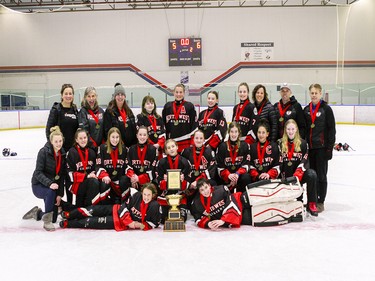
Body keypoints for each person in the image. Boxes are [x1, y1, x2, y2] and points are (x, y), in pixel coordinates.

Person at [60, 183, 161, 231]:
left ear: (153, 195)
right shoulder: (137, 195)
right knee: (92, 209)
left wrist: (141, 225)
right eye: (145, 194)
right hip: (116, 210)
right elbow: (124, 206)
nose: (146, 197)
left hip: (118, 223)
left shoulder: (154, 205)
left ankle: (68, 223)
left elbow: (155, 223)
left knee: (92, 221)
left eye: (149, 195)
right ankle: (70, 214)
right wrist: (130, 222)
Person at [22, 126, 66, 231]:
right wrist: (49, 183)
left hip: (52, 186)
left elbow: (61, 177)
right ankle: (47, 222)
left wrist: (60, 194)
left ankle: (36, 213)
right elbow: (38, 172)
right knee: (50, 192)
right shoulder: (43, 152)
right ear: (51, 141)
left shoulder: (63, 154)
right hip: (39, 185)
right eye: (56, 141)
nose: (59, 143)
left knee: (54, 218)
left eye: (60, 141)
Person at [303, 83, 336, 213]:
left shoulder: (326, 109)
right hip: (310, 149)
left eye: (316, 93)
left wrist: (329, 148)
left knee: (322, 176)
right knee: (312, 176)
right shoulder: (306, 109)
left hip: (322, 149)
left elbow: (331, 130)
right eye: (312, 93)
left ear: (321, 93)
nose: (314, 95)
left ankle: (321, 201)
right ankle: (312, 200)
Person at [278, 119, 318, 216]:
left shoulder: (303, 144)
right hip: (285, 176)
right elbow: (278, 162)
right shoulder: (280, 143)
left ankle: (312, 203)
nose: (290, 132)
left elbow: (305, 161)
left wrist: (298, 175)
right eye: (288, 129)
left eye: (292, 129)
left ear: (296, 129)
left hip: (298, 176)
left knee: (312, 174)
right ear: (285, 130)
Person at [156, 139, 191, 222]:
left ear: (177, 147)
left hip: (180, 196)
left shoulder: (185, 162)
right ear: (166, 150)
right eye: (168, 148)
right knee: (163, 219)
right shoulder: (161, 163)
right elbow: (158, 182)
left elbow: (188, 182)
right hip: (165, 196)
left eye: (173, 146)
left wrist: (182, 181)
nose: (171, 149)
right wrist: (164, 181)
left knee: (182, 219)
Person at [66, 128, 100, 207]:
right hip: (75, 184)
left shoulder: (91, 152)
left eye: (85, 138)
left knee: (94, 182)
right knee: (92, 182)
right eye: (80, 138)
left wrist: (94, 173)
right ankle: (86, 208)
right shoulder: (72, 152)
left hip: (87, 183)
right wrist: (86, 176)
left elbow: (95, 168)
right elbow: (70, 174)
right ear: (76, 140)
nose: (83, 140)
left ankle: (87, 207)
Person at [181, 130, 217, 200]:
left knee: (213, 183)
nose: (199, 140)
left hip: (204, 182)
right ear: (193, 139)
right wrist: (187, 184)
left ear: (204, 139)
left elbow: (211, 171)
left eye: (201, 138)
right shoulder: (185, 152)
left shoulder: (210, 152)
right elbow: (183, 170)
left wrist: (197, 181)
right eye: (196, 138)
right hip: (190, 183)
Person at [216, 122, 251, 193]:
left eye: (236, 132)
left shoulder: (244, 146)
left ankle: (242, 197)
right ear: (228, 132)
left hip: (239, 176)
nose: (234, 134)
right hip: (227, 177)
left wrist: (237, 174)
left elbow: (246, 165)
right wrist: (228, 175)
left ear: (239, 133)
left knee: (246, 177)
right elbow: (220, 167)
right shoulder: (222, 146)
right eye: (232, 132)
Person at [162, 83, 197, 153]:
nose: (178, 94)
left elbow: (194, 125)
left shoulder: (189, 106)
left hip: (185, 142)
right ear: (173, 93)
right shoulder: (167, 106)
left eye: (180, 92)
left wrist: (192, 142)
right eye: (177, 92)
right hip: (171, 143)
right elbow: (163, 125)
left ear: (184, 93)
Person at [96, 127, 128, 204]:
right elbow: (98, 165)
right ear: (109, 137)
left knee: (125, 180)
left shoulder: (124, 149)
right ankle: (104, 204)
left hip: (119, 181)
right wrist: (104, 175)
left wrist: (132, 176)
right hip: (108, 179)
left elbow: (127, 165)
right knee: (104, 183)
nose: (115, 139)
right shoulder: (102, 148)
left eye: (117, 137)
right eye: (113, 137)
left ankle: (123, 202)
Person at [124, 126, 158, 194]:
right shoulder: (131, 149)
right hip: (134, 180)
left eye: (144, 135)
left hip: (148, 181)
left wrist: (139, 179)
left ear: (148, 136)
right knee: (123, 181)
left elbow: (153, 170)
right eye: (140, 134)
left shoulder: (153, 150)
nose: (142, 137)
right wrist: (133, 178)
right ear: (137, 135)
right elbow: (128, 166)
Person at [46, 83, 79, 152]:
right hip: (60, 148)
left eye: (70, 93)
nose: (68, 96)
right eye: (66, 94)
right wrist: (53, 147)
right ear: (62, 95)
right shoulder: (56, 110)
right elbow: (48, 130)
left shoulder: (75, 110)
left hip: (73, 149)